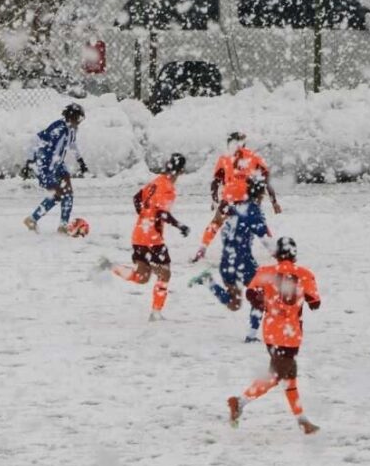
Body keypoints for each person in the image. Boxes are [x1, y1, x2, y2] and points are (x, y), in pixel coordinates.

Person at [227, 239, 322, 434]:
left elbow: (251, 294)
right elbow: (315, 303)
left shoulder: (266, 272)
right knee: (279, 374)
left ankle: (303, 421)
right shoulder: (305, 274)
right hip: (291, 334)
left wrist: (268, 306)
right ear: (294, 254)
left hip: (271, 331)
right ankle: (240, 401)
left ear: (276, 254)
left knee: (288, 376)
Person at [187, 179, 273, 342]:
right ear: (260, 195)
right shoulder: (254, 211)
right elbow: (266, 240)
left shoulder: (234, 209)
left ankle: (208, 281)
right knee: (260, 295)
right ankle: (251, 336)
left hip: (227, 261)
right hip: (244, 261)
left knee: (234, 304)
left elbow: (222, 229)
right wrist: (283, 255)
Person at [109, 153, 191, 322]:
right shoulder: (168, 187)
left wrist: (144, 216)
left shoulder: (156, 181)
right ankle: (155, 313)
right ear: (181, 170)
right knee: (165, 274)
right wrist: (179, 225)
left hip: (139, 233)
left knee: (142, 276)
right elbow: (161, 212)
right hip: (153, 237)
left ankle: (111, 267)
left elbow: (137, 198)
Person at [192, 132, 280, 262]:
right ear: (243, 142)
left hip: (229, 197)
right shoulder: (253, 156)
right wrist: (274, 202)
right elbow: (265, 180)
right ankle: (274, 252)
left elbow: (215, 182)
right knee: (259, 224)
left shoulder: (224, 158)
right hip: (247, 198)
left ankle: (202, 250)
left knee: (215, 223)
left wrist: (214, 200)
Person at [23, 103, 88, 234]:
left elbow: (72, 144)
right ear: (71, 117)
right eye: (78, 119)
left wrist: (80, 160)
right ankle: (32, 219)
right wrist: (29, 162)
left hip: (57, 163)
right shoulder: (58, 128)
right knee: (58, 195)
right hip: (46, 165)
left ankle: (63, 225)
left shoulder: (71, 130)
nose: (80, 122)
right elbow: (35, 139)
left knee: (68, 191)